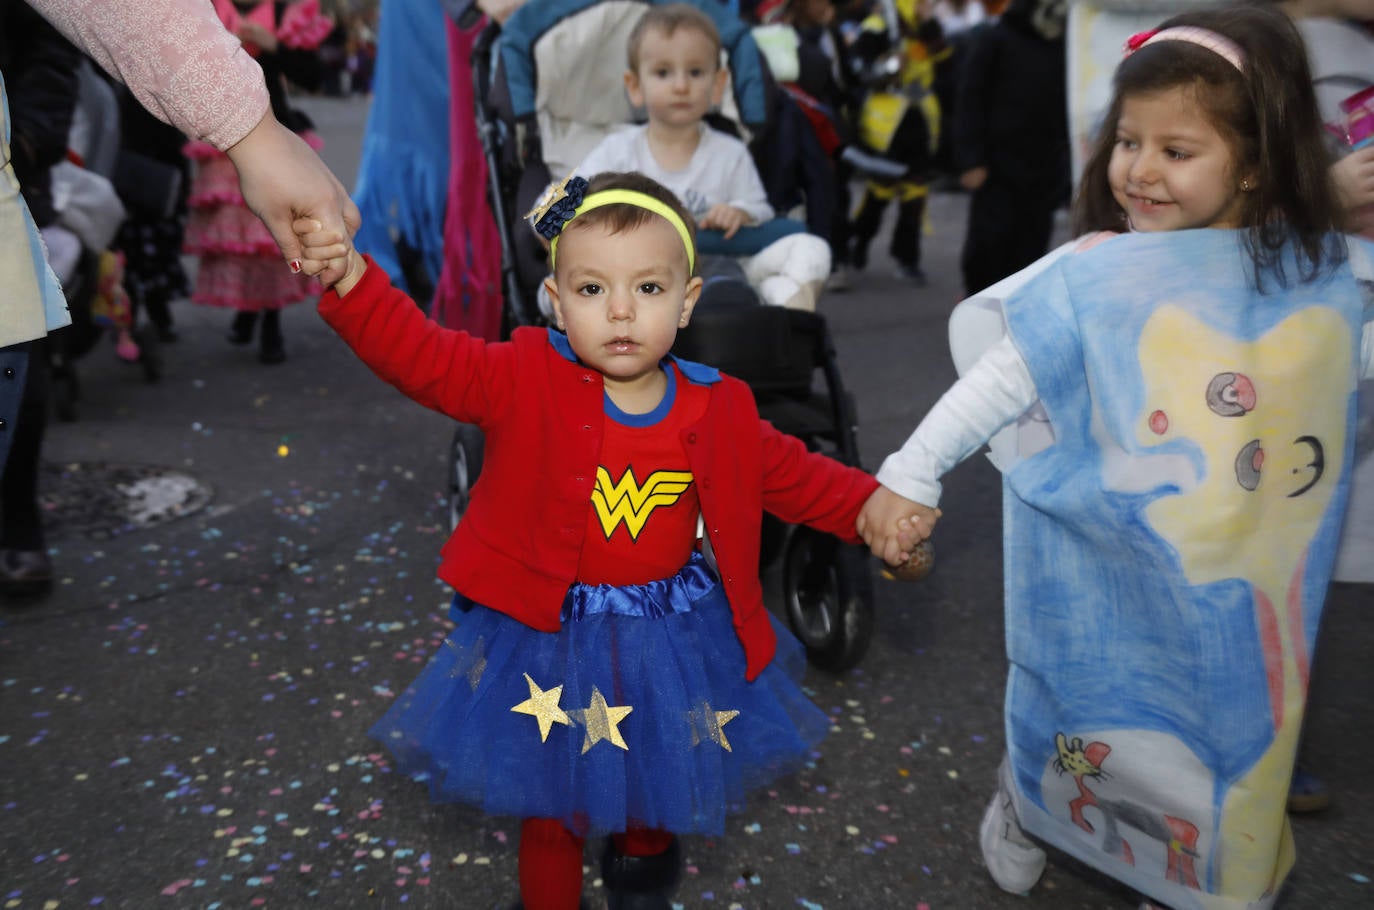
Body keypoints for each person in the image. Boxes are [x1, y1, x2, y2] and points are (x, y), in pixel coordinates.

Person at [857, 6, 1374, 909]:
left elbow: (1343, 357)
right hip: (1096, 561)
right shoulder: (1094, 274)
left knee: (1221, 731)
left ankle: (1214, 878)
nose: (1139, 169)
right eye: (1127, 141)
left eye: (1177, 150)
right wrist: (912, 467)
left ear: (1250, 163)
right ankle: (1032, 805)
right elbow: (1001, 380)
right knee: (1082, 706)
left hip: (1233, 582)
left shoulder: (1311, 276)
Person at [298, 170, 885, 910]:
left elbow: (796, 475)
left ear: (687, 301)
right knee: (555, 806)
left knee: (654, 791)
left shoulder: (718, 406)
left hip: (665, 644)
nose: (619, 312)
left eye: (646, 289)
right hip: (548, 642)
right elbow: (423, 356)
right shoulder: (519, 377)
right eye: (590, 290)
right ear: (555, 301)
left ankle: (641, 887)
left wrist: (872, 509)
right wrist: (352, 280)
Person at [1, 0, 361, 479]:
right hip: (190, 143)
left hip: (221, 141)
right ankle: (241, 316)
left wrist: (257, 136)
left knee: (264, 248)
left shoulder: (286, 12)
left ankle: (263, 321)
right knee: (223, 247)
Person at [574, 3, 833, 312]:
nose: (681, 86)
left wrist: (739, 213)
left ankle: (783, 318)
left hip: (727, 266)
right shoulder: (617, 152)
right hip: (637, 281)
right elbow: (550, 207)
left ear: (717, 85)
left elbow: (761, 211)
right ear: (635, 86)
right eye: (663, 72)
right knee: (562, 280)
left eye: (696, 72)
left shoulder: (730, 152)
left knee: (812, 249)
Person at [183, 0, 333, 365]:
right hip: (224, 140)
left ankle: (269, 321)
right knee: (242, 242)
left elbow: (312, 76)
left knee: (274, 234)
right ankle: (250, 311)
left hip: (276, 134)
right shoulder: (210, 9)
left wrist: (274, 47)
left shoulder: (284, 14)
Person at [953, 0, 1071, 295]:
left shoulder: (1063, 44)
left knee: (1030, 252)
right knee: (988, 249)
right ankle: (976, 309)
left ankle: (1014, 323)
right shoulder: (996, 38)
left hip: (1043, 167)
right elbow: (970, 100)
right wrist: (971, 160)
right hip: (996, 168)